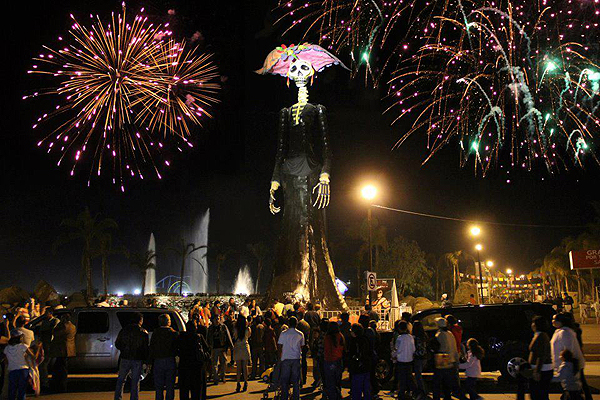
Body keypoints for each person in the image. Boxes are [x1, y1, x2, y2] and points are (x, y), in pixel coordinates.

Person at [114, 312, 149, 400]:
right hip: (137, 358)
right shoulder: (143, 332)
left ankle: (118, 397)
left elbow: (118, 344)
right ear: (140, 320)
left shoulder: (124, 330)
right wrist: (146, 361)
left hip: (125, 357)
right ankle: (134, 398)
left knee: (121, 380)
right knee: (135, 381)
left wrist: (124, 349)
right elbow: (145, 348)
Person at [431, 317, 464, 400]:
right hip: (450, 360)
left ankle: (437, 397)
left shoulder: (439, 334)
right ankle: (447, 396)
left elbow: (438, 347)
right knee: (447, 382)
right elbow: (454, 347)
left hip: (442, 360)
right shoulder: (449, 333)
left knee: (437, 382)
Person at [177, 319, 209, 400]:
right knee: (197, 391)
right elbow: (207, 350)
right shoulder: (198, 337)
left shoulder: (181, 337)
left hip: (184, 366)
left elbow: (176, 350)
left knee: (184, 391)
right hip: (197, 367)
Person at [4, 330, 40, 400]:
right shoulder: (23, 346)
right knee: (22, 391)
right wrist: (38, 348)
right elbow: (34, 357)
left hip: (12, 371)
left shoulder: (7, 348)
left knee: (12, 390)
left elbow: (6, 361)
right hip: (23, 370)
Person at [149, 314, 179, 400]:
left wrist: (149, 361)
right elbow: (176, 347)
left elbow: (152, 347)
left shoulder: (156, 333)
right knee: (170, 385)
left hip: (158, 360)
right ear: (168, 322)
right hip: (170, 360)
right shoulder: (174, 333)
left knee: (159, 386)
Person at [277, 316, 304, 400]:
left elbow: (280, 346)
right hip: (296, 358)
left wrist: (279, 357)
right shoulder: (300, 334)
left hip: (285, 358)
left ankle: (284, 397)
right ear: (296, 324)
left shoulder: (283, 333)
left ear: (288, 324)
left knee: (285, 380)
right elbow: (302, 346)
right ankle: (296, 396)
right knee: (296, 380)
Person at [48, 313, 76, 393]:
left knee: (61, 368)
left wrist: (59, 324)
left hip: (62, 349)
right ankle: (61, 385)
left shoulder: (64, 326)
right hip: (68, 349)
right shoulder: (73, 326)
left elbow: (55, 333)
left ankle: (61, 386)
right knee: (62, 367)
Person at [528, 315, 553, 400]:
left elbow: (541, 355)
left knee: (539, 395)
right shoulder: (538, 335)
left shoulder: (541, 336)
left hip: (543, 370)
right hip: (539, 369)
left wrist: (537, 371)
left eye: (533, 323)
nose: (532, 325)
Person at [347, 323, 372, 400]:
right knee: (366, 388)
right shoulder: (365, 339)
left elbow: (353, 354)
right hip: (366, 367)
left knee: (357, 390)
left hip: (358, 368)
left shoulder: (355, 341)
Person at [36, 307, 59, 390]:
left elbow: (52, 331)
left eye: (47, 312)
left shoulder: (55, 321)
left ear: (50, 313)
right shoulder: (45, 321)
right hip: (45, 346)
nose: (45, 314)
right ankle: (45, 382)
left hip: (51, 346)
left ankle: (46, 382)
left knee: (45, 364)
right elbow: (41, 331)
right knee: (44, 364)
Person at [394, 320, 417, 399]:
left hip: (401, 361)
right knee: (409, 377)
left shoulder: (399, 338)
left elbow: (397, 349)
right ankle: (414, 391)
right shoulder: (411, 337)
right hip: (409, 360)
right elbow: (413, 349)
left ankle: (401, 394)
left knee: (402, 378)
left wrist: (394, 355)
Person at [207, 315, 233, 384]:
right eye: (215, 319)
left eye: (218, 319)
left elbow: (228, 336)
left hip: (222, 347)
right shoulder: (210, 328)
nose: (217, 320)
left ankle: (222, 376)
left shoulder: (223, 326)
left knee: (223, 362)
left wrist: (231, 345)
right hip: (214, 347)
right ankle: (216, 378)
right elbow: (208, 337)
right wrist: (209, 346)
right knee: (214, 363)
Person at [323, 321, 345, 400]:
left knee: (330, 381)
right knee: (337, 381)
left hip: (329, 360)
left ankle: (332, 396)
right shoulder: (340, 336)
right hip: (338, 360)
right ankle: (338, 395)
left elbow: (327, 349)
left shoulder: (328, 337)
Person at [233, 316, 251, 392]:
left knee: (238, 367)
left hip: (238, 347)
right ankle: (245, 382)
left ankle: (238, 383)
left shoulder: (235, 329)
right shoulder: (247, 329)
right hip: (245, 347)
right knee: (245, 367)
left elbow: (234, 336)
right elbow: (249, 336)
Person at [412, 321, 429, 397]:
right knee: (419, 374)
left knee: (418, 375)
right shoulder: (424, 335)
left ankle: (422, 390)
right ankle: (423, 389)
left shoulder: (415, 337)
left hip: (418, 357)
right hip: (424, 357)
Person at [296, 311, 311, 385]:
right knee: (304, 361)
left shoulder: (299, 324)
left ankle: (301, 379)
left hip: (301, 344)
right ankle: (304, 378)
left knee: (300, 362)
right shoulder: (306, 323)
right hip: (305, 344)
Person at [249, 316, 265, 380]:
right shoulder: (262, 327)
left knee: (254, 362)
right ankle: (261, 374)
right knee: (261, 361)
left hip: (254, 346)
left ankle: (253, 374)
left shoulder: (252, 327)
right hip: (261, 346)